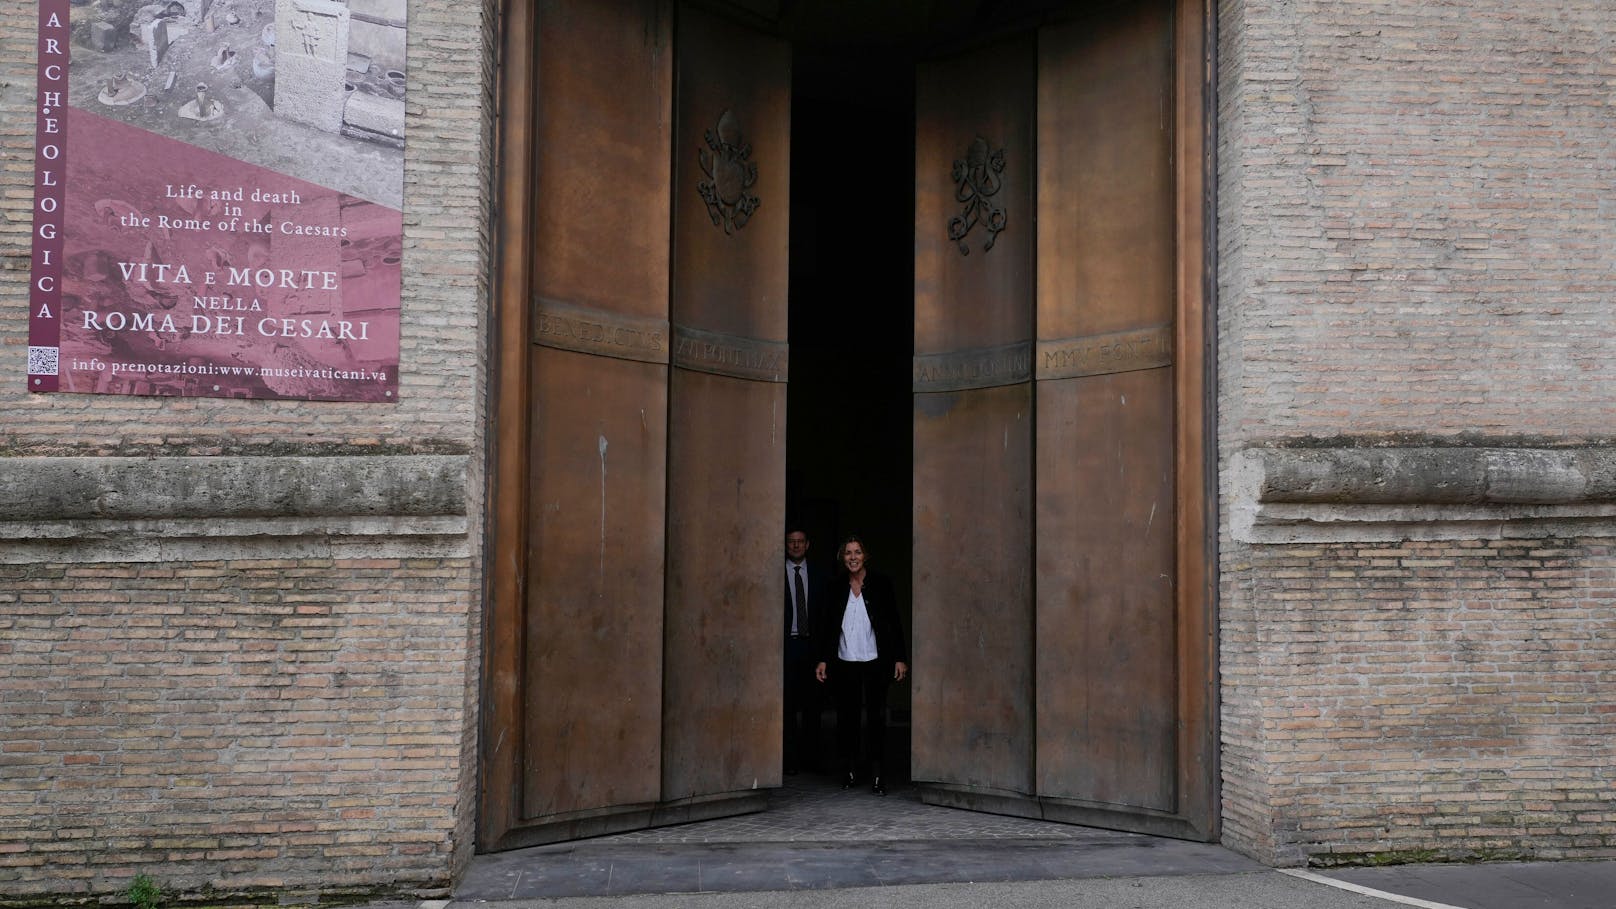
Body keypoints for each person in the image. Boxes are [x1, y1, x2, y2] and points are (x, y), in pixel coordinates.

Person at [814, 534, 908, 796]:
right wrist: (823, 659)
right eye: (848, 553)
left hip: (876, 660)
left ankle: (878, 774)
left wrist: (900, 657)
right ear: (842, 558)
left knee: (876, 716)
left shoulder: (881, 584)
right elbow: (827, 627)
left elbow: (894, 621)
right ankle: (850, 769)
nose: (853, 557)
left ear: (865, 556)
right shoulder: (835, 587)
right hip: (845, 660)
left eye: (857, 552)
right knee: (847, 717)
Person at [782, 527, 828, 774]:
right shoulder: (776, 574)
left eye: (800, 542)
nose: (796, 546)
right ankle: (788, 761)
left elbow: (824, 615)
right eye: (791, 542)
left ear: (808, 544)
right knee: (787, 708)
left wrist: (823, 653)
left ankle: (812, 759)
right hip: (787, 646)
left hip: (811, 647)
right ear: (786, 545)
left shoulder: (820, 575)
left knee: (813, 707)